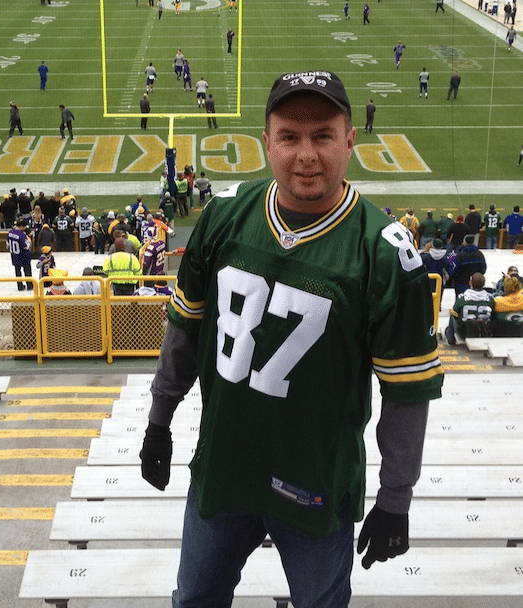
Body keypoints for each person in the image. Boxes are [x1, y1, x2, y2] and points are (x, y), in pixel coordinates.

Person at [139, 70, 443, 608]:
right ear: (267, 142)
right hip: (225, 466)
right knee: (195, 600)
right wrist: (158, 421)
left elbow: (406, 390)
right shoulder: (225, 216)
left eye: (323, 135)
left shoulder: (384, 253)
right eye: (290, 136)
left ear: (350, 139)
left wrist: (397, 498)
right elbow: (184, 329)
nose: (306, 155)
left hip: (315, 483)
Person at [445, 272, 494, 345]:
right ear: (483, 284)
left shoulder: (462, 298)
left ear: (470, 283)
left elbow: (456, 312)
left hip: (465, 332)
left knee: (453, 313)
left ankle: (450, 339)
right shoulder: (490, 299)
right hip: (484, 331)